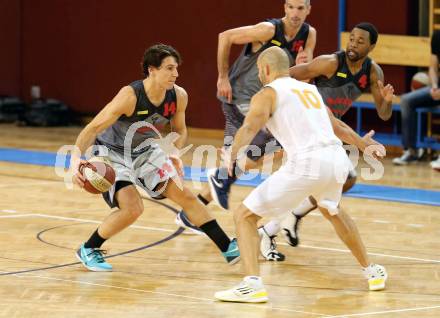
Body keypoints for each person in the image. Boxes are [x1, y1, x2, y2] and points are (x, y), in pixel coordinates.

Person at [215, 46, 388, 303]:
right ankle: (372, 271)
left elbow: (251, 125)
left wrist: (231, 152)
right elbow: (337, 126)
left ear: (265, 69)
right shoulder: (310, 90)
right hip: (337, 159)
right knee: (332, 210)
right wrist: (364, 146)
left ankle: (252, 284)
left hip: (308, 162)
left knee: (244, 215)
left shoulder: (267, 93)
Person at [70, 44, 239, 272]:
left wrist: (174, 153)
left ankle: (228, 248)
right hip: (112, 153)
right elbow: (92, 128)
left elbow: (179, 130)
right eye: (169, 68)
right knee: (132, 208)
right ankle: (89, 248)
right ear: (152, 69)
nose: (176, 74)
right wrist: (74, 163)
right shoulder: (130, 96)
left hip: (147, 151)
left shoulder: (178, 96)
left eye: (176, 68)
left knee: (186, 196)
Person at [176, 0, 317, 262]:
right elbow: (225, 37)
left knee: (248, 156)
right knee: (267, 139)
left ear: (309, 10)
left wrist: (302, 68)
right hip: (239, 95)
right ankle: (221, 178)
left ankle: (191, 212)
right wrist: (222, 76)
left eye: (301, 8)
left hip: (265, 99)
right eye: (292, 8)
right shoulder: (267, 30)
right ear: (284, 8)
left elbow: (301, 73)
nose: (296, 14)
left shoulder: (309, 34)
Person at [259, 22, 395, 249]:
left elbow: (384, 114)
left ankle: (289, 218)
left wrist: (386, 102)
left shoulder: (372, 72)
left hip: (328, 129)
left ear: (371, 47)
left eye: (360, 42)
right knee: (307, 178)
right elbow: (285, 76)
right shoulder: (330, 62)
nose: (353, 44)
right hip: (307, 125)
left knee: (344, 180)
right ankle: (268, 227)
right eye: (351, 38)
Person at [392, 30, 440, 168]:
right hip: (437, 90)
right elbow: (432, 68)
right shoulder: (437, 36)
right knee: (407, 100)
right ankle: (411, 151)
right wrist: (435, 86)